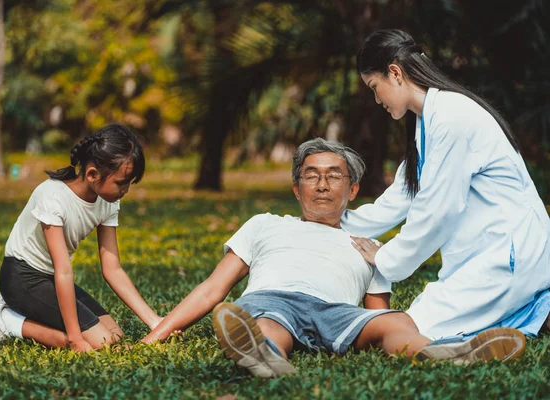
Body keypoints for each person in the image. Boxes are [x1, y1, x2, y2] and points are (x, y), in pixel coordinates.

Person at [141, 138, 525, 378]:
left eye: (334, 176)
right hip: (273, 300)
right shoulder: (265, 224)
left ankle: (440, 352)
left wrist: (383, 322)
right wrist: (154, 337)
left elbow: (376, 310)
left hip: (335, 312)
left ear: (353, 189)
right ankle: (265, 355)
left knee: (394, 321)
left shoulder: (367, 243)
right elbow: (213, 288)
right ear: (296, 189)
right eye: (311, 176)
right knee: (265, 323)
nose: (322, 184)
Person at [344, 29, 550, 340]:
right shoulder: (426, 122)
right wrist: (335, 224)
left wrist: (386, 258)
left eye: (375, 87)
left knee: (412, 326)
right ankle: (539, 309)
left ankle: (522, 305)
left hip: (509, 256)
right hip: (495, 254)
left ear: (395, 73)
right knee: (422, 319)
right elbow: (401, 197)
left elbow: (437, 211)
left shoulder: (452, 117)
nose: (376, 100)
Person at [0, 124, 162, 351]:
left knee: (115, 336)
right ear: (92, 174)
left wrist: (155, 322)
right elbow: (63, 270)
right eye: (122, 182)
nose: (126, 189)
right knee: (101, 343)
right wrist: (75, 339)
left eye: (130, 182)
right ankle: (7, 320)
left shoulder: (108, 202)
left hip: (50, 279)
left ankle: (36, 320)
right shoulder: (52, 196)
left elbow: (113, 269)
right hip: (21, 279)